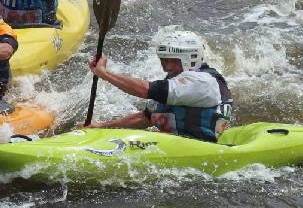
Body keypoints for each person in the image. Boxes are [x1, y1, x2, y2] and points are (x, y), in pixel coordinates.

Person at [86, 31, 233, 142]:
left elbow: (146, 90)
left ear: (191, 59)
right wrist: (101, 126)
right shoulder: (175, 81)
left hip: (201, 146)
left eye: (172, 61)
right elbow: (146, 118)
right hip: (177, 142)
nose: (166, 67)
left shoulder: (203, 82)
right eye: (163, 60)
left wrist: (105, 74)